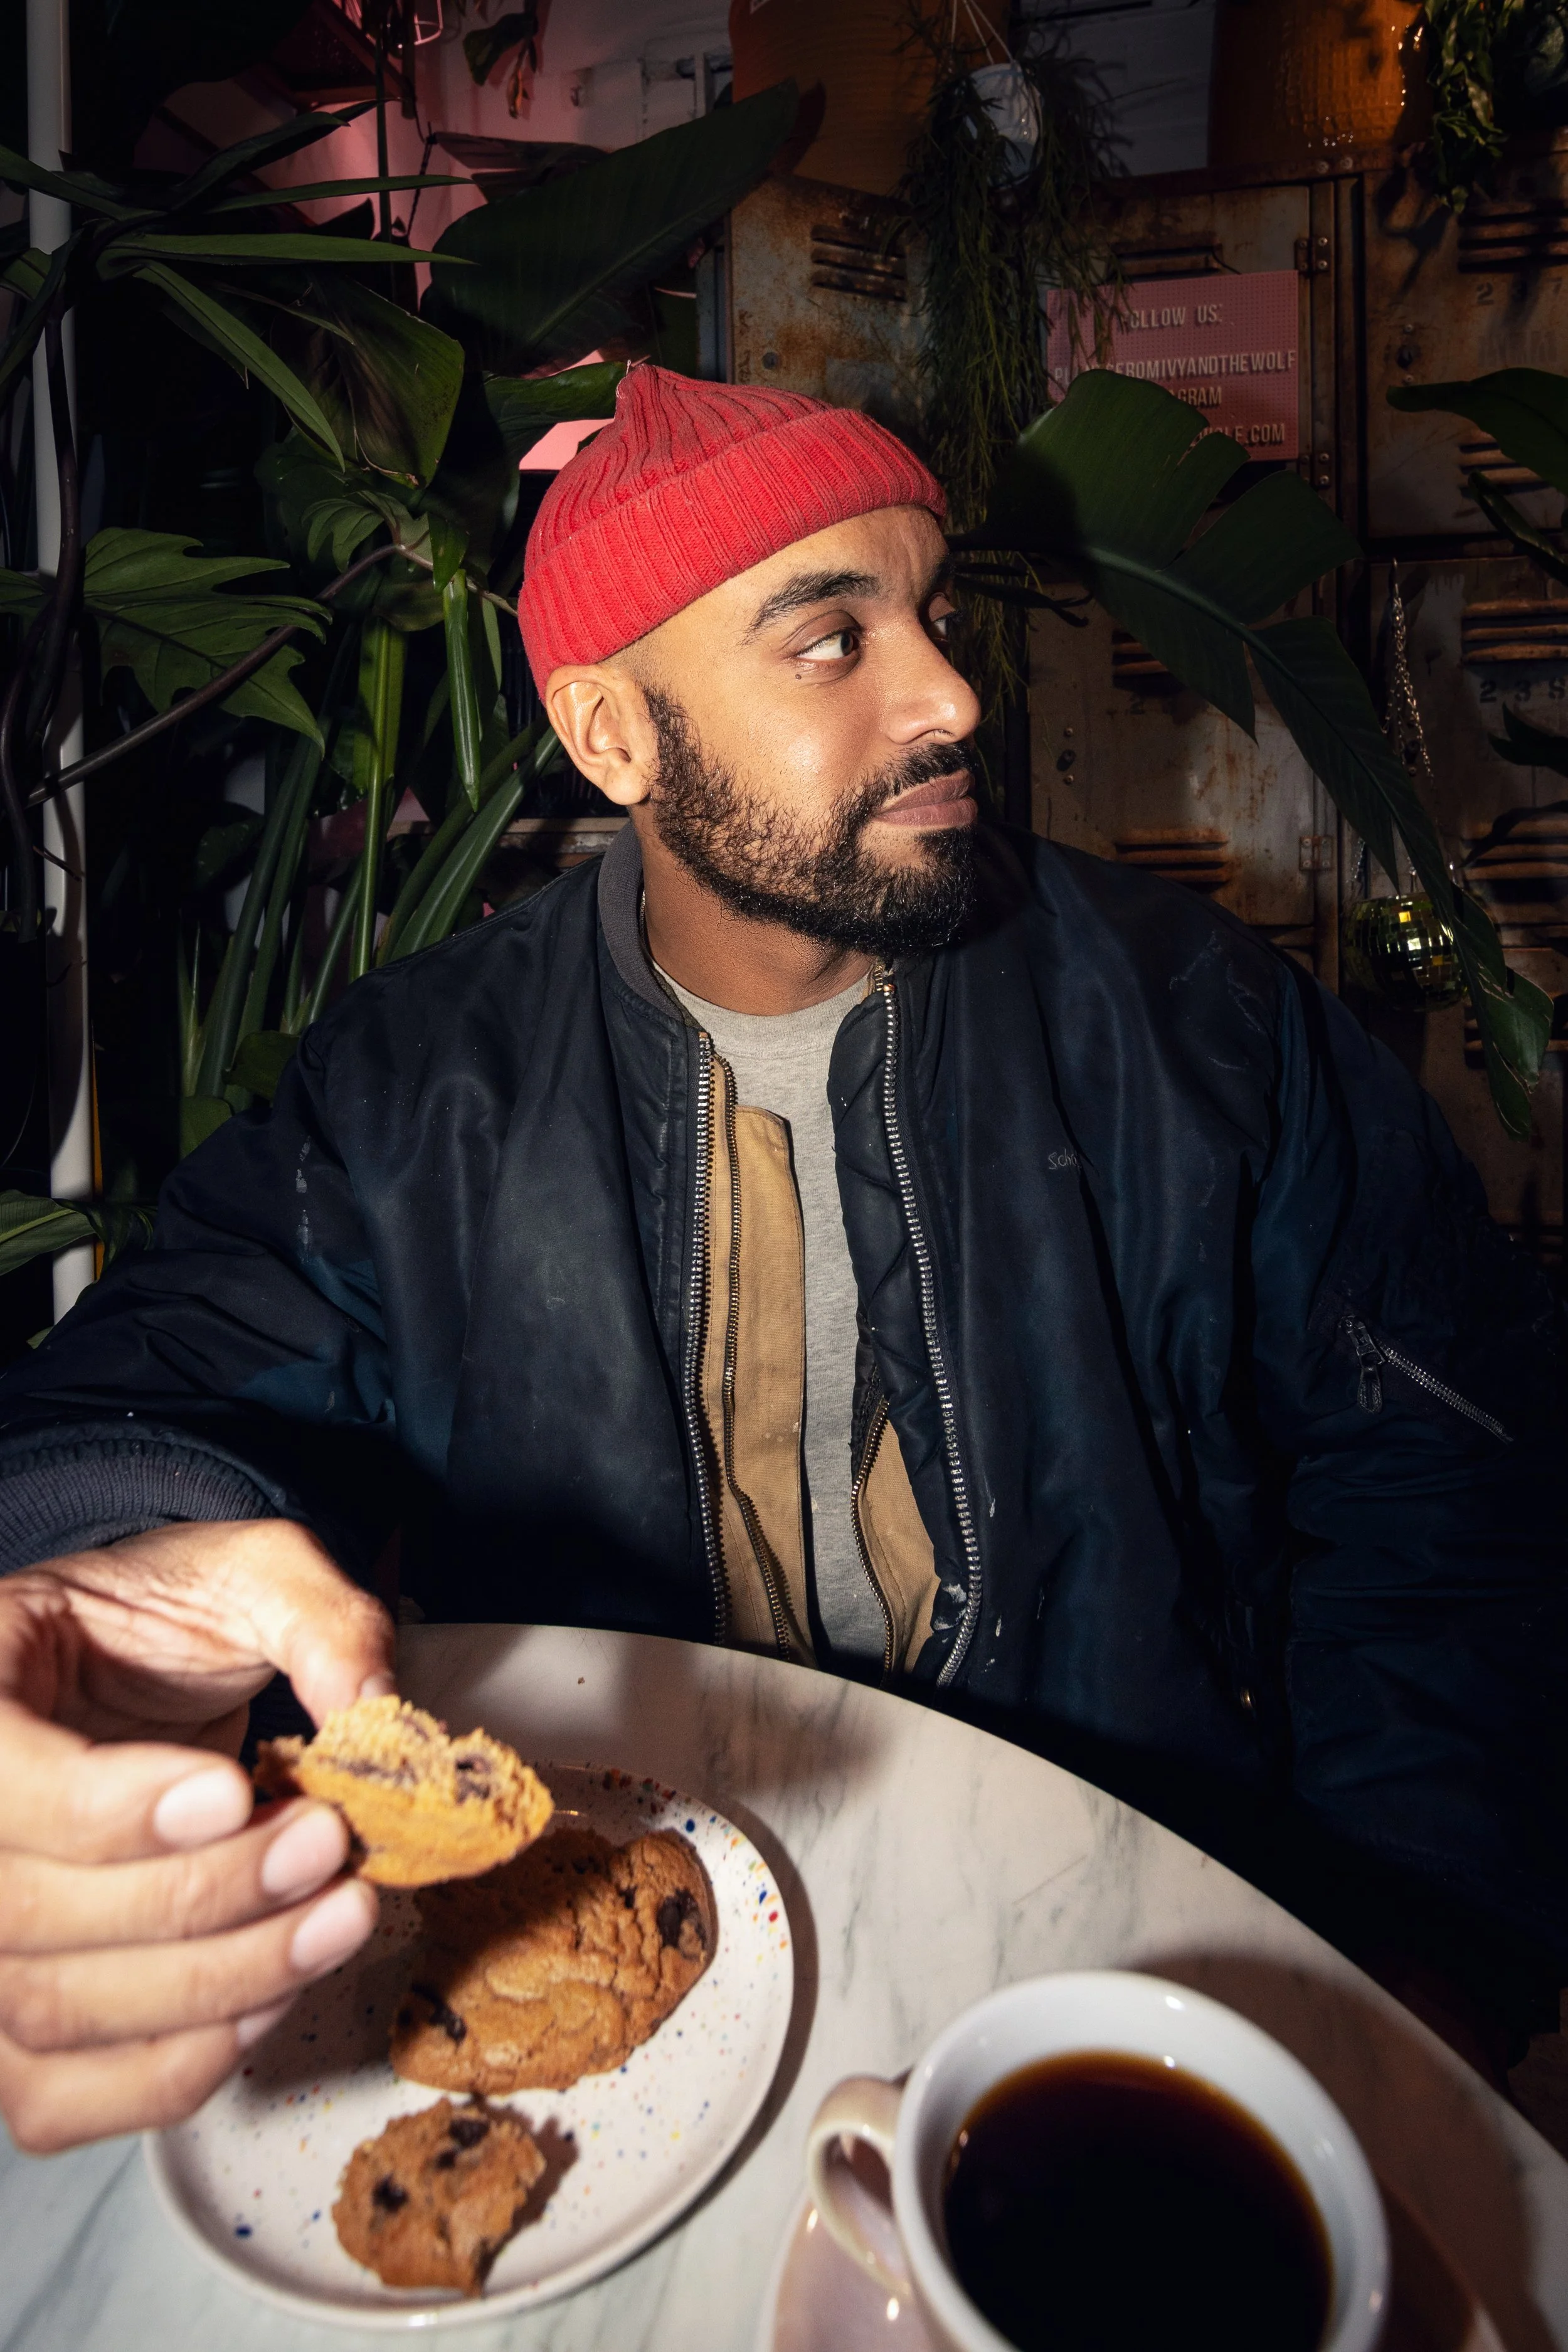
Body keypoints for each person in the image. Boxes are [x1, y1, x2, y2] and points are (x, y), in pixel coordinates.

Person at [0, 367, 1561, 2154]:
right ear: (612, 736)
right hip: (635, 1961)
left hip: (1122, 1933)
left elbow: (1449, 1492)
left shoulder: (1193, 1027)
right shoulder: (419, 1089)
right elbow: (125, 1406)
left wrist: (1410, 1955)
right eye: (830, 639)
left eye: (934, 612)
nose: (952, 693)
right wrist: (74, 1592)